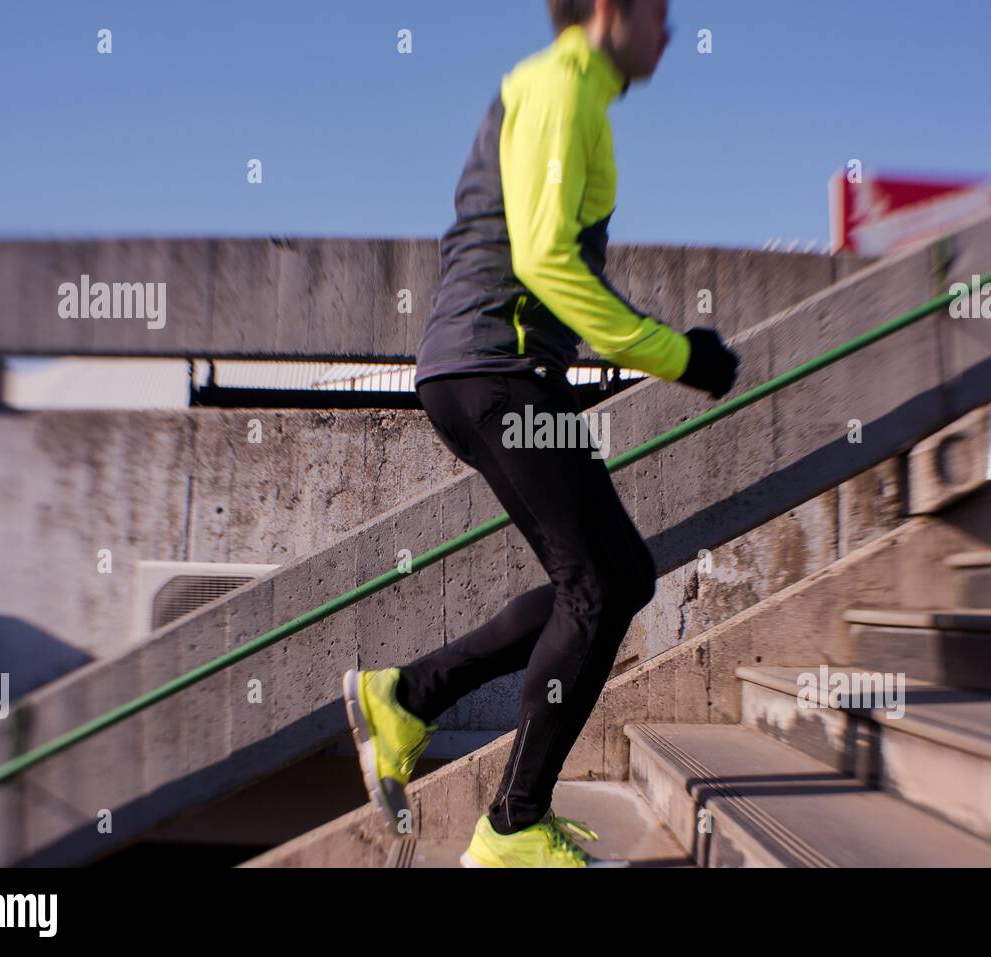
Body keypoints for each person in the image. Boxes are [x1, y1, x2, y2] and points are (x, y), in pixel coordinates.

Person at [342, 0, 739, 868]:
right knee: (608, 580)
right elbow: (546, 260)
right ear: (608, 12)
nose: (672, 32)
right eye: (661, 14)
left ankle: (407, 699)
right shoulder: (562, 89)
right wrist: (676, 354)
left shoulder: (569, 93)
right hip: (498, 369)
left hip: (476, 372)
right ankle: (512, 824)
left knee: (593, 582)